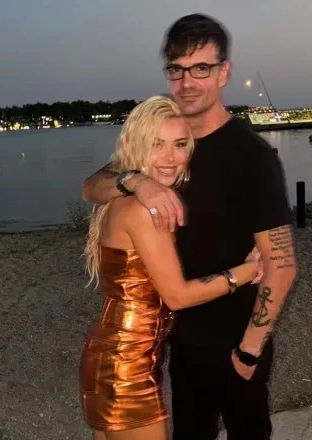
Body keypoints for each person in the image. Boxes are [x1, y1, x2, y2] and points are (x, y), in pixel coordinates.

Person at [82, 14, 298, 440]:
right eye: (177, 70)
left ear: (224, 72)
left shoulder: (251, 156)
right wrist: (135, 180)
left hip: (235, 340)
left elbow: (282, 263)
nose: (187, 82)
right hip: (179, 343)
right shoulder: (163, 148)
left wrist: (250, 349)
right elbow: (92, 186)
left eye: (201, 68)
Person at [79, 94, 261, 440]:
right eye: (156, 144)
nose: (170, 157)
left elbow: (92, 185)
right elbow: (177, 296)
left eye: (179, 145)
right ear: (136, 146)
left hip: (110, 352)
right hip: (127, 365)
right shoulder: (142, 209)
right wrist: (247, 271)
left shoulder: (123, 197)